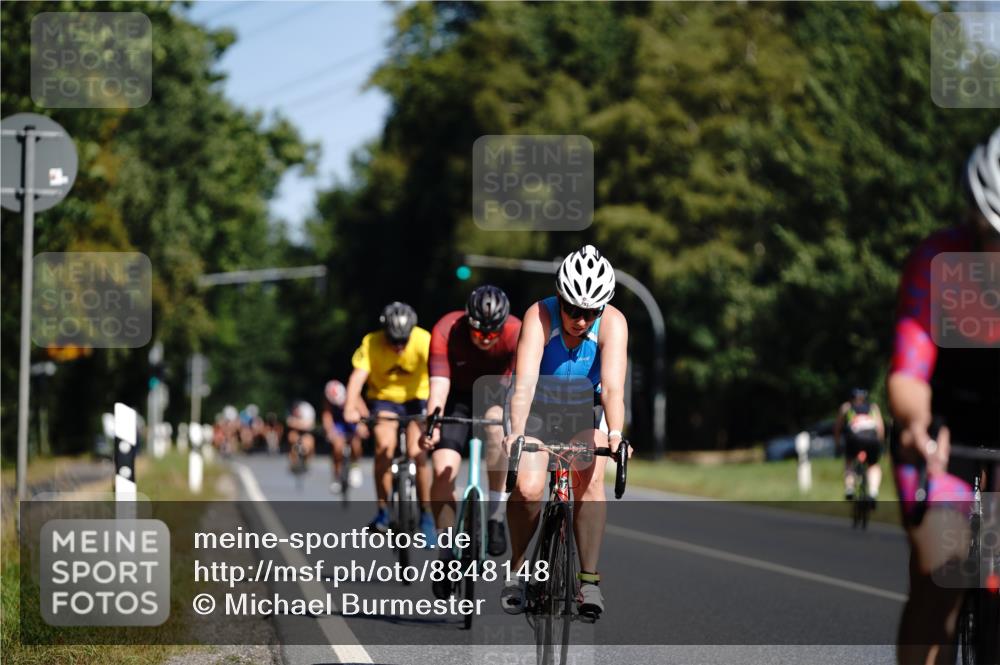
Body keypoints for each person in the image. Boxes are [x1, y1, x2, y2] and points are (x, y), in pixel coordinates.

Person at [888, 127, 1000, 665]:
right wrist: (917, 428)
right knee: (941, 572)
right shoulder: (938, 261)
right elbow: (909, 375)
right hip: (942, 433)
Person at [501, 245, 632, 619]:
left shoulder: (613, 324)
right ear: (559, 298)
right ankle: (518, 568)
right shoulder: (539, 315)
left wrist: (617, 434)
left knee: (590, 478)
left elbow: (612, 389)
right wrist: (516, 433)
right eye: (572, 309)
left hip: (583, 409)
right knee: (527, 487)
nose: (580, 319)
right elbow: (523, 383)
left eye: (590, 312)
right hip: (538, 405)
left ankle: (589, 582)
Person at [423, 285, 522, 599]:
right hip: (455, 397)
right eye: (478, 332)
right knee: (443, 471)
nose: (485, 339)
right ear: (468, 322)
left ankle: (495, 516)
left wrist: (513, 428)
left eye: (492, 334)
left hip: (497, 394)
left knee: (495, 430)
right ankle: (446, 549)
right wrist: (432, 424)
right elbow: (438, 386)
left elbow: (521, 387)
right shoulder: (446, 329)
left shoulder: (518, 332)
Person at [343, 302, 435, 543]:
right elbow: (357, 379)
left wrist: (436, 407)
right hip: (384, 400)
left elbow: (438, 374)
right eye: (394, 341)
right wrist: (350, 406)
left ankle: (426, 513)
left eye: (403, 342)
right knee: (384, 446)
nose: (399, 347)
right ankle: (383, 511)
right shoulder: (371, 342)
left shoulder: (424, 339)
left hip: (418, 398)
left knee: (419, 452)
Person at [833, 388, 885, 504]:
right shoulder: (873, 407)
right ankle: (873, 492)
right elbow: (880, 428)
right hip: (872, 440)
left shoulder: (846, 407)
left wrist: (837, 444)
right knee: (873, 465)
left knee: (849, 461)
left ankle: (849, 488)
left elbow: (837, 428)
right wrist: (880, 445)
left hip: (854, 440)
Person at [323, 379, 365, 494]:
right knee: (337, 447)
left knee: (356, 444)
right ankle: (336, 476)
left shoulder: (353, 396)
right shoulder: (329, 402)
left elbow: (363, 413)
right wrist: (330, 431)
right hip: (339, 425)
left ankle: (355, 466)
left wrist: (363, 426)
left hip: (352, 423)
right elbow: (327, 417)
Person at [286, 400, 316, 469]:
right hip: (296, 433)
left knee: (309, 444)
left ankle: (307, 462)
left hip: (307, 433)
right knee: (291, 436)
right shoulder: (290, 411)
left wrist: (296, 423)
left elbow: (309, 426)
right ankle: (294, 461)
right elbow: (290, 423)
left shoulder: (307, 410)